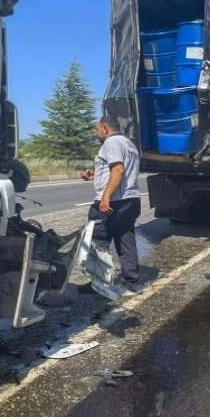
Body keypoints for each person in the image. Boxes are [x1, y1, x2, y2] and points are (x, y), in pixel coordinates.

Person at [81, 116, 143, 294]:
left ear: (105, 128)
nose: (95, 133)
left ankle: (100, 282)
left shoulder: (111, 143)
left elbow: (118, 170)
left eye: (96, 129)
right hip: (131, 200)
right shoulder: (129, 144)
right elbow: (120, 169)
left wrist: (105, 197)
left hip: (115, 201)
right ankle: (131, 281)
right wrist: (95, 175)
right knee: (125, 238)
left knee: (97, 239)